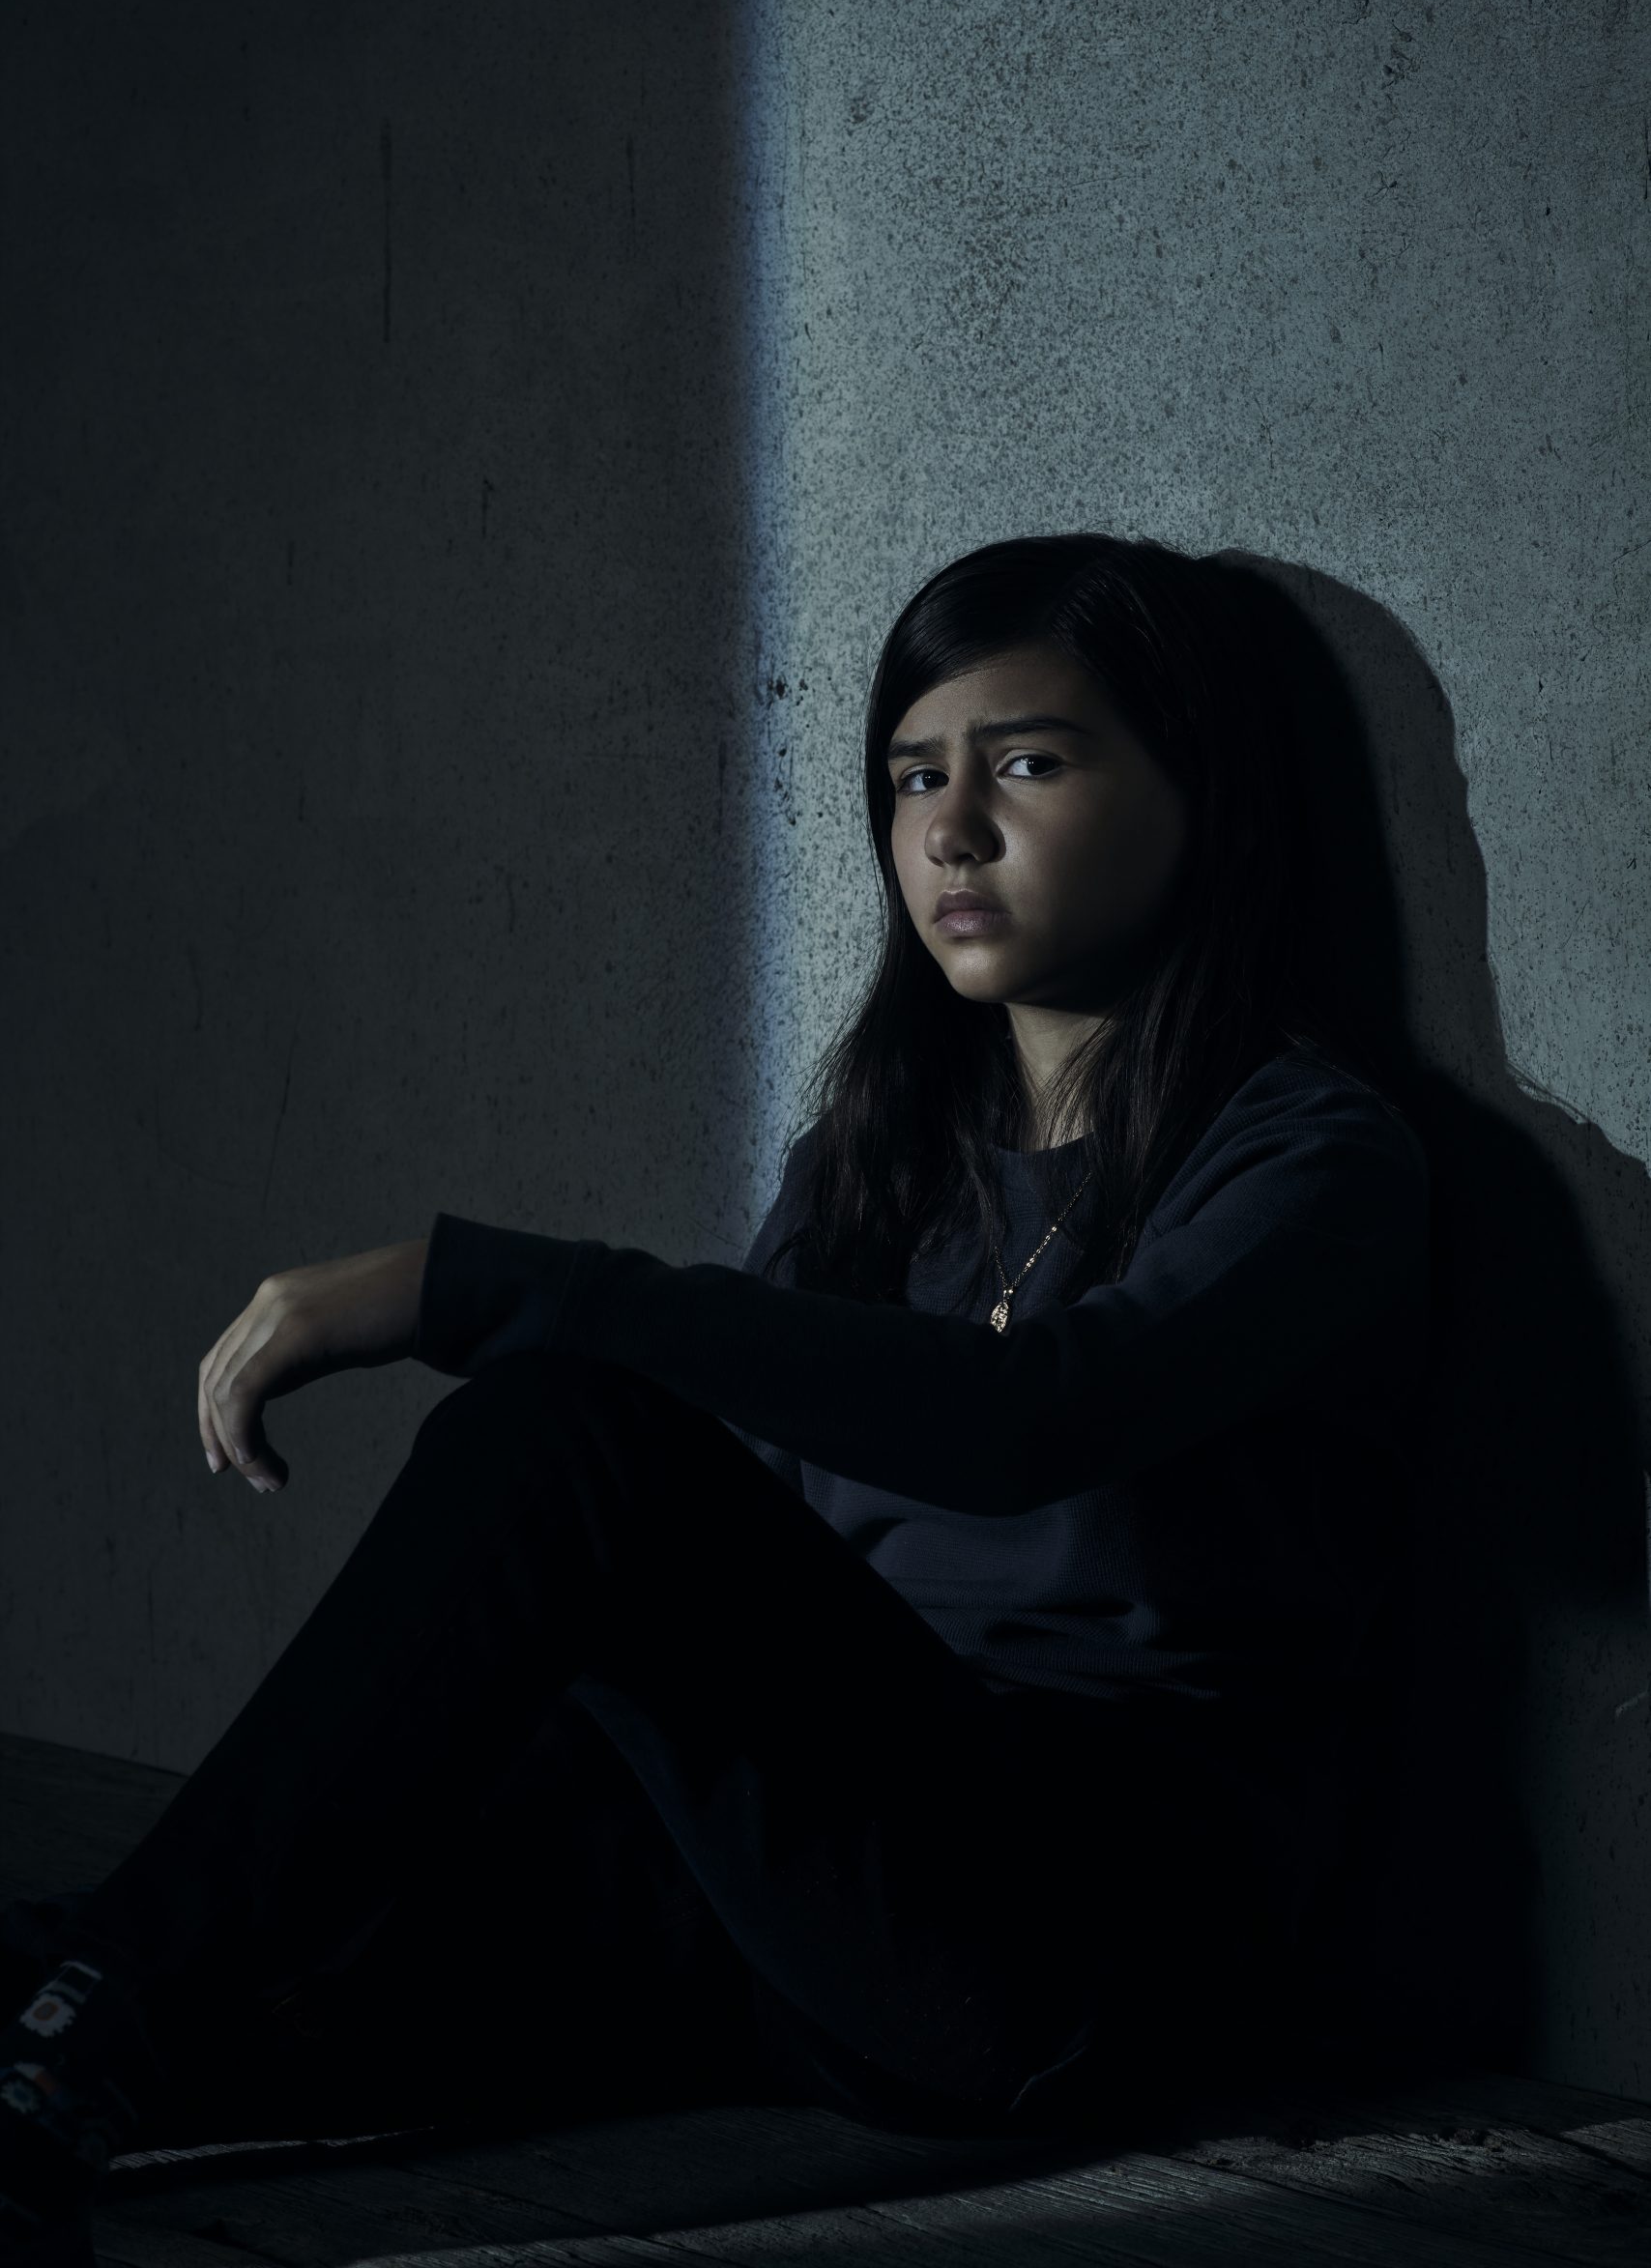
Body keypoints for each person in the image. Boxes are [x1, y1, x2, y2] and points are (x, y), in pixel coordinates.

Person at [0, 532, 1431, 2265]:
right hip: (786, 1923)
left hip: (1069, 1946)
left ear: (1203, 792)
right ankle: (78, 2023)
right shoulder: (884, 1158)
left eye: (1030, 764)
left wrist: (477, 1286)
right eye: (915, 776)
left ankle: (89, 2028)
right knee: (173, 1972)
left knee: (565, 1429)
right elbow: (690, 1560)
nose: (952, 831)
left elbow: (1031, 1418)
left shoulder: (1316, 1158)